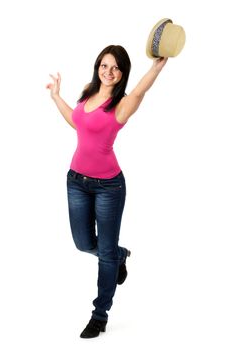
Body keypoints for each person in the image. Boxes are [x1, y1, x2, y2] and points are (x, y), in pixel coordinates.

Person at [46, 45, 167, 338]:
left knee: (104, 256)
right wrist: (56, 97)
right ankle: (119, 254)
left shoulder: (121, 104)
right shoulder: (88, 95)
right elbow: (77, 123)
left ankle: (100, 314)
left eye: (115, 68)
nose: (108, 71)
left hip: (108, 187)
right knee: (83, 243)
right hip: (76, 181)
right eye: (104, 65)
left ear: (122, 73)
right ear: (98, 66)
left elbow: (139, 92)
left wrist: (156, 67)